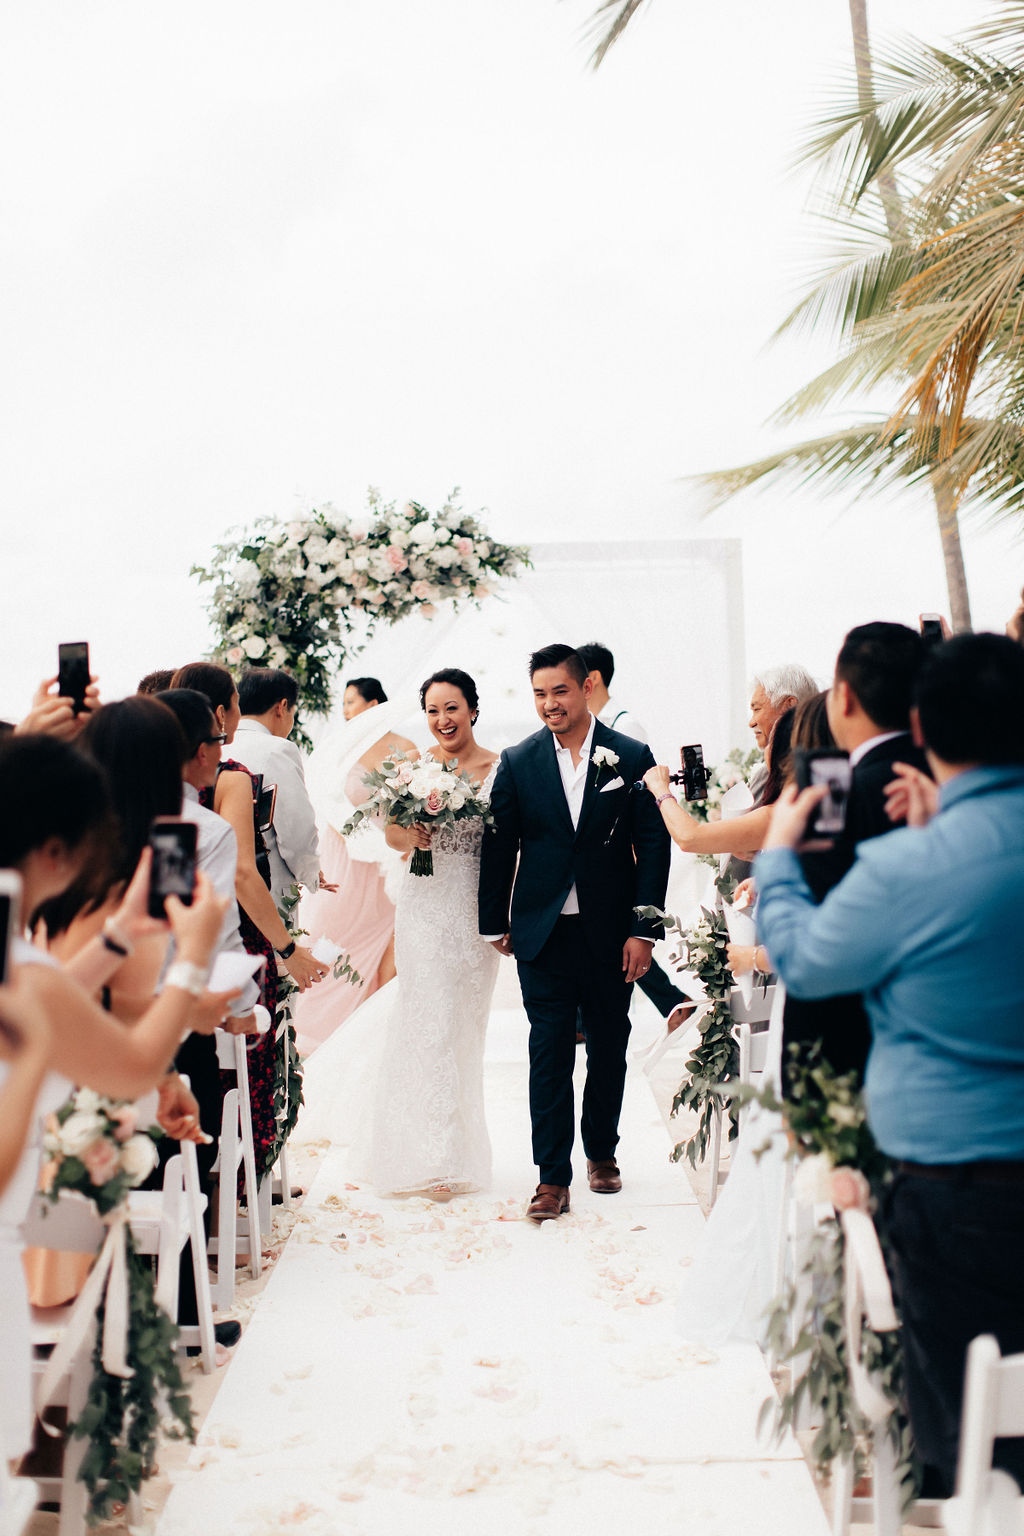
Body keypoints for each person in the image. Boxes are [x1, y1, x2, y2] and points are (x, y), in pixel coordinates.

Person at [755, 632, 1024, 1496]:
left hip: (958, 1192)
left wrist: (779, 858)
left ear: (922, 724)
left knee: (974, 1445)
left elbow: (806, 959)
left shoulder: (909, 865)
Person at [0, 732, 228, 1458]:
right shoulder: (25, 991)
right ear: (59, 851)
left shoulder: (25, 969)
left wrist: (125, 933)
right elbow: (125, 1064)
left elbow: (54, 996)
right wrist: (192, 958)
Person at [479, 644, 670, 1220]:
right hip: (543, 931)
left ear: (586, 688)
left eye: (559, 691)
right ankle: (552, 1178)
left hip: (612, 932)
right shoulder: (518, 760)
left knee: (609, 1046)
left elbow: (654, 845)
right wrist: (495, 921)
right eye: (539, 694)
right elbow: (500, 843)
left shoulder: (631, 755)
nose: (549, 704)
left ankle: (603, 1154)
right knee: (549, 1053)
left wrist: (644, 929)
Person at [356, 668, 499, 1198]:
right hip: (423, 909)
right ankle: (435, 1158)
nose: (443, 720)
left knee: (466, 1027)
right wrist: (410, 834)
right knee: (429, 1021)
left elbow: (509, 845)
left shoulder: (499, 768)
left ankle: (459, 1148)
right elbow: (392, 835)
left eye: (453, 708)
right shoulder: (413, 769)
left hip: (472, 912)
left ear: (473, 710)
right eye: (434, 711)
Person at [779, 621, 930, 1082]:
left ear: (842, 698)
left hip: (851, 1056)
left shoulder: (833, 799)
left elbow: (814, 948)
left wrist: (802, 1086)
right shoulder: (947, 784)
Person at [296, 677, 417, 1054]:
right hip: (341, 858)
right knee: (323, 931)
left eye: (351, 702)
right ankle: (312, 1030)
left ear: (374, 704)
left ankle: (369, 1035)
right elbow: (322, 798)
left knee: (383, 944)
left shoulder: (405, 748)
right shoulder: (342, 747)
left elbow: (408, 811)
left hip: (385, 863)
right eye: (343, 703)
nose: (344, 710)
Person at [576, 640, 688, 1037]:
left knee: (622, 936)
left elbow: (636, 801)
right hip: (596, 857)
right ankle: (670, 1002)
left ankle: (673, 1001)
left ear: (591, 680)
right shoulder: (585, 728)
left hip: (624, 854)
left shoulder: (624, 726)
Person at [231, 667, 326, 911]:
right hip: (268, 885)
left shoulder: (218, 747)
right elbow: (295, 826)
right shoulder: (277, 749)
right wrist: (310, 872)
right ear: (282, 707)